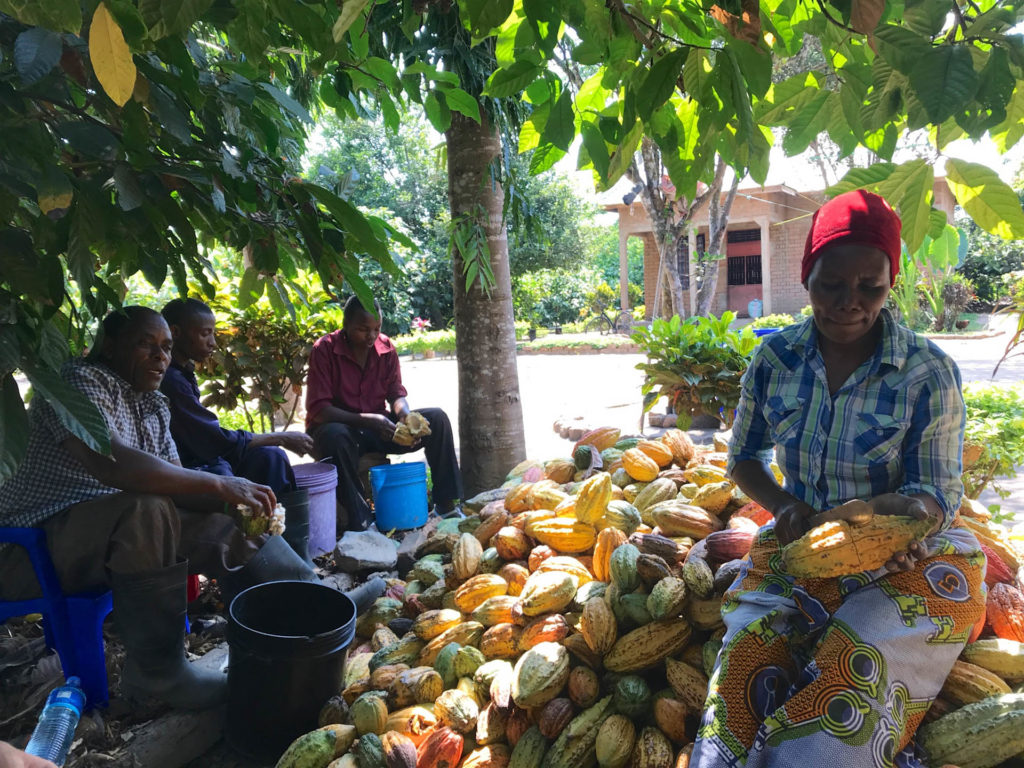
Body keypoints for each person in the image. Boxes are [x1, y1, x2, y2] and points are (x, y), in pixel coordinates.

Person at [692, 190, 985, 768]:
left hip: (904, 558)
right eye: (831, 284)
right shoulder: (773, 362)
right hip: (801, 541)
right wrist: (784, 505)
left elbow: (938, 490)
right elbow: (744, 458)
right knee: (743, 675)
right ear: (807, 277)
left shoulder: (928, 372)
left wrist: (904, 524)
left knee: (861, 669)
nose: (849, 302)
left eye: (870, 286)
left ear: (890, 283)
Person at [0, 307, 315, 711]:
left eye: (166, 347)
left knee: (225, 516)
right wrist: (219, 482)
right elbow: (113, 462)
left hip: (100, 533)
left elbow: (177, 485)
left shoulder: (152, 403)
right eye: (145, 344)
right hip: (28, 550)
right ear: (110, 346)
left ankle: (307, 603)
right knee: (146, 510)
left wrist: (232, 499)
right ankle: (157, 675)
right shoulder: (78, 382)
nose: (160, 356)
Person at [160, 298, 315, 562]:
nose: (212, 343)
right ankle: (261, 560)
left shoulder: (183, 371)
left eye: (213, 333)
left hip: (204, 456)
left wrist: (276, 442)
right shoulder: (170, 379)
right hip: (186, 469)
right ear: (175, 332)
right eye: (205, 333)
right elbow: (213, 441)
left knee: (271, 458)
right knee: (229, 472)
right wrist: (280, 435)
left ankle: (290, 552)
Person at [305, 296, 463, 531]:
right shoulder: (325, 349)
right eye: (362, 329)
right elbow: (319, 410)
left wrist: (406, 416)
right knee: (335, 436)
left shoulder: (386, 348)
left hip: (377, 428)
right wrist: (369, 421)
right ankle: (360, 520)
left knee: (437, 419)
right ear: (346, 325)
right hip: (338, 428)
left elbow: (395, 394)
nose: (371, 336)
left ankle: (446, 504)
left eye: (376, 329)